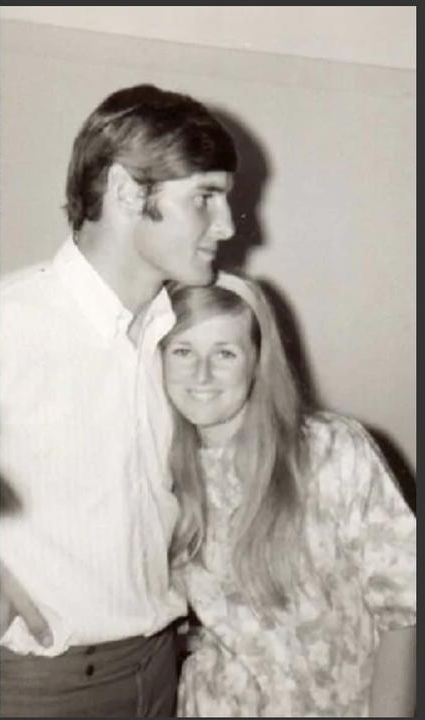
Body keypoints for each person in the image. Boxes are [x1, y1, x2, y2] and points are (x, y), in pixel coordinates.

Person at [0, 84, 237, 715]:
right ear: (130, 191)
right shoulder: (14, 320)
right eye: (205, 199)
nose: (230, 226)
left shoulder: (185, 340)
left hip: (162, 667)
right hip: (47, 685)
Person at [161, 273, 417, 716]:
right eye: (183, 351)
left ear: (257, 361)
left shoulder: (331, 449)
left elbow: (403, 610)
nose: (201, 374)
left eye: (224, 352)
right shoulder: (158, 471)